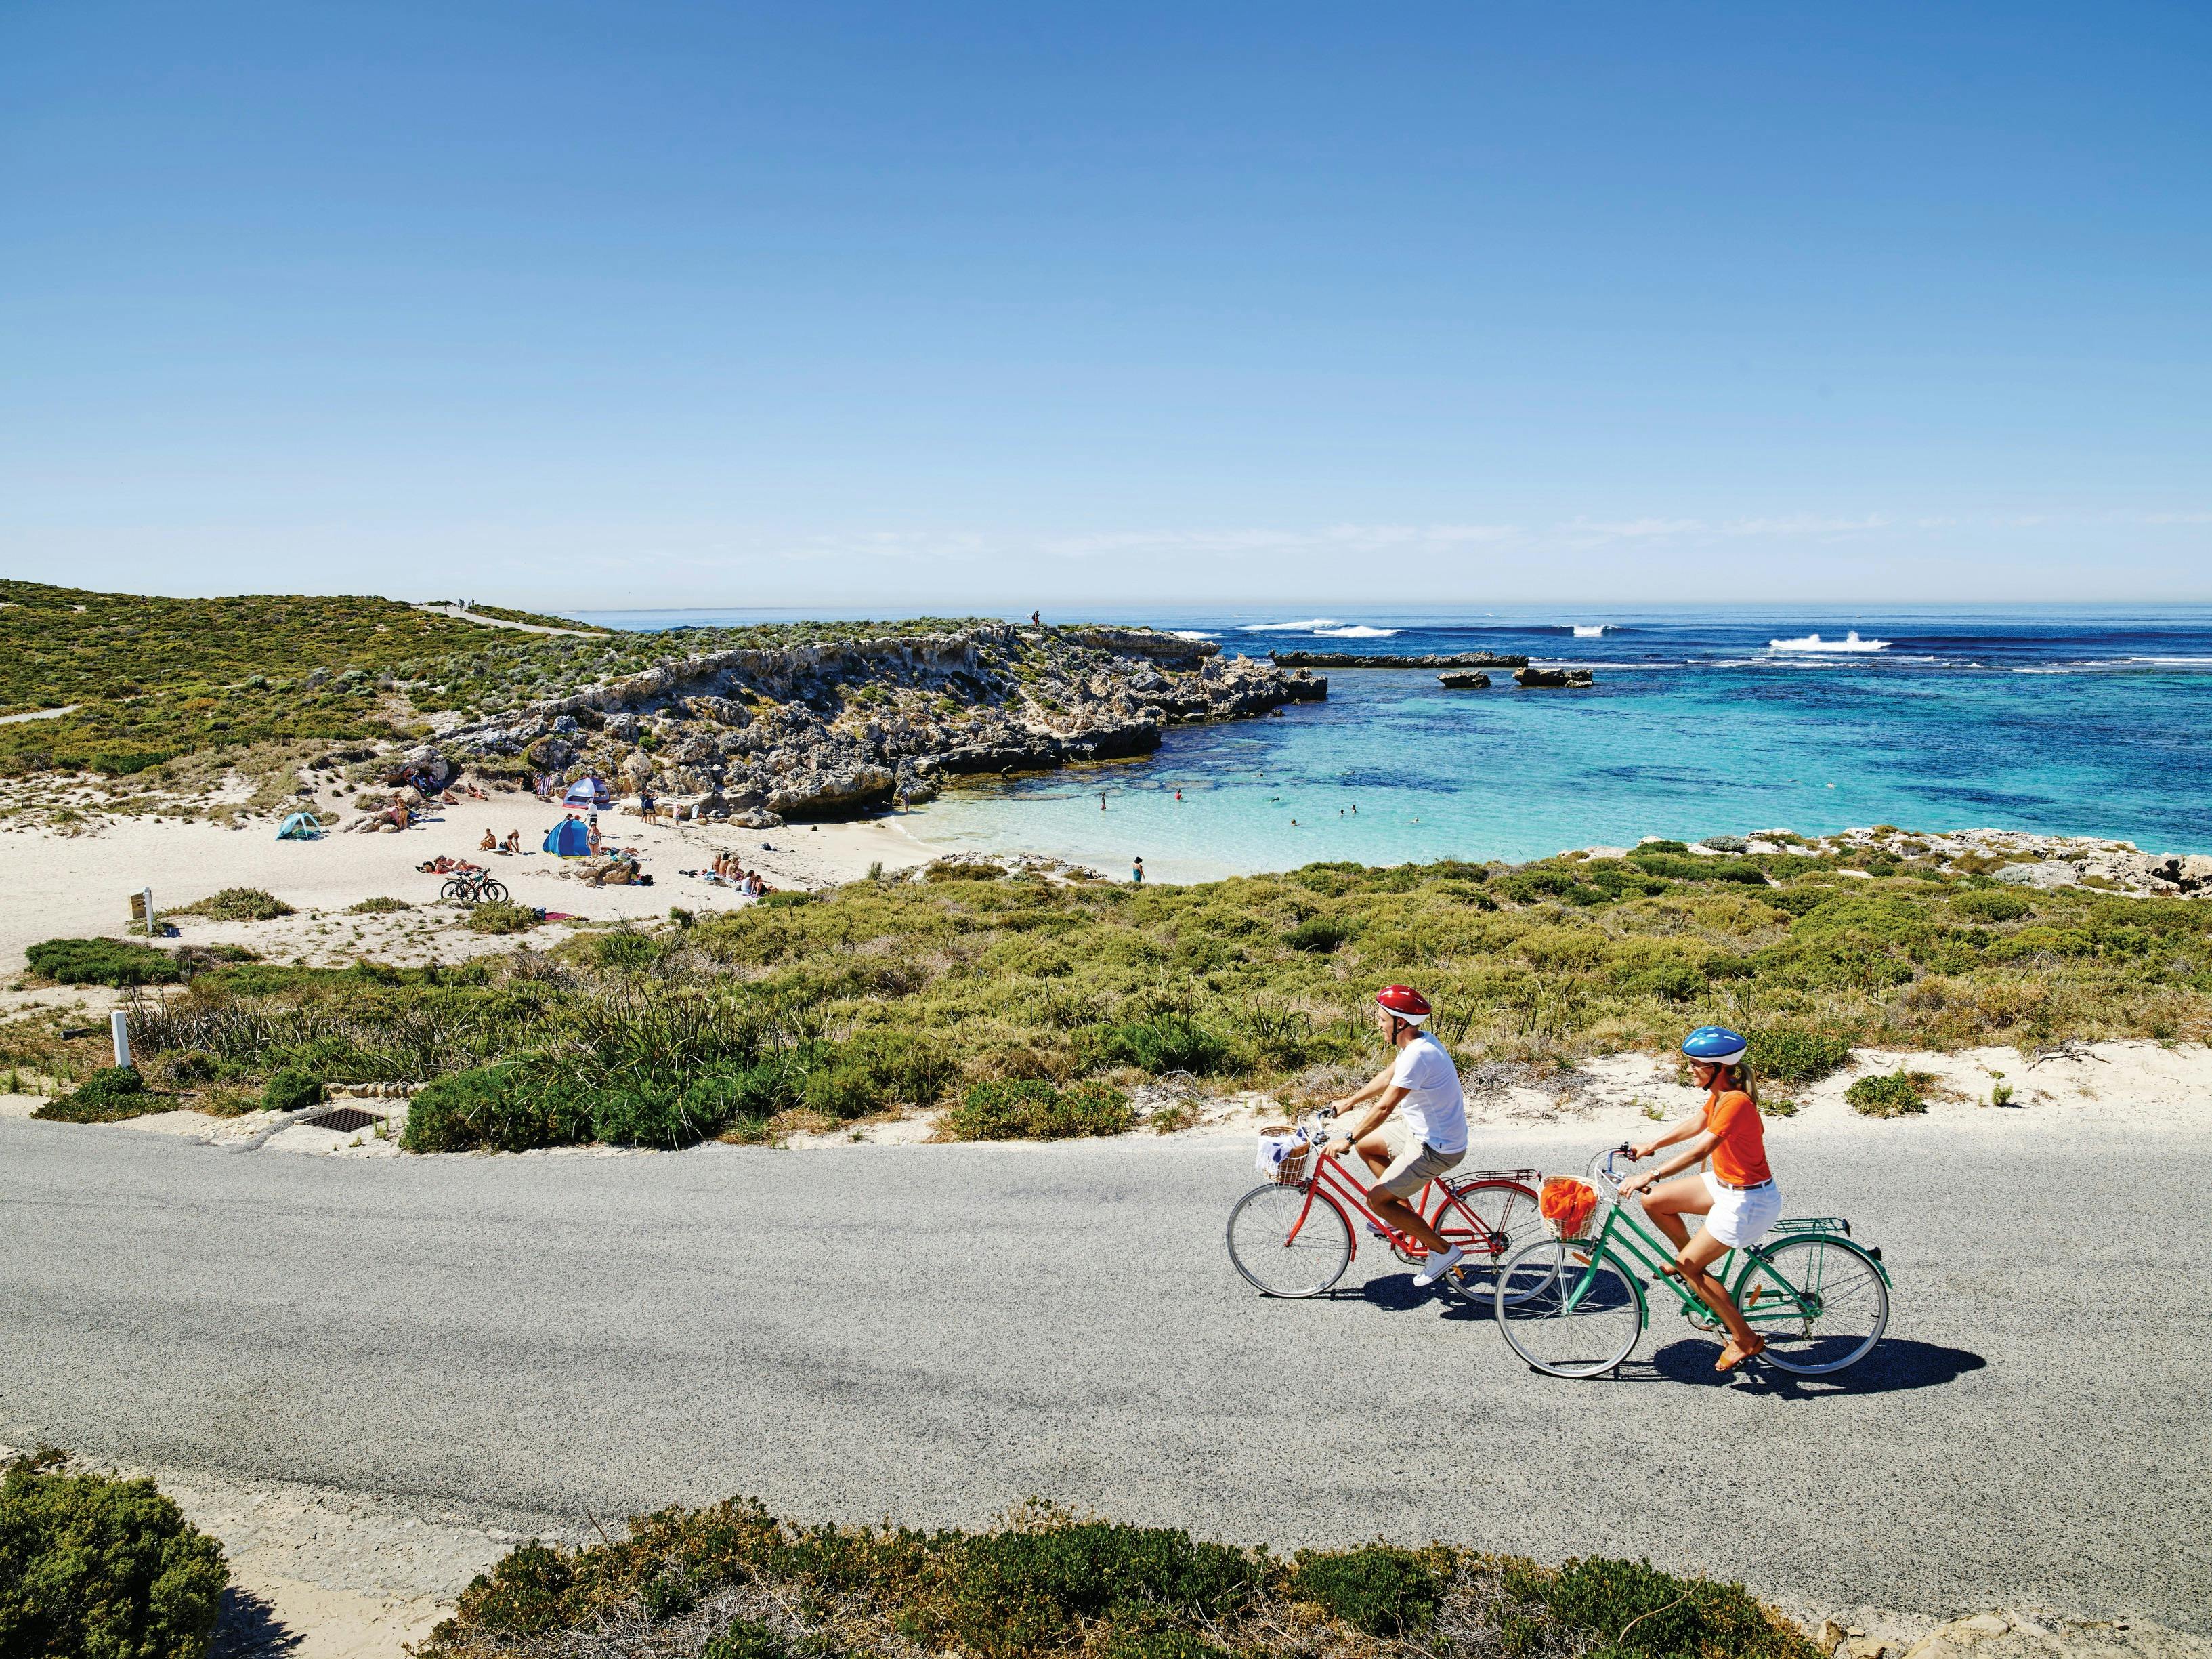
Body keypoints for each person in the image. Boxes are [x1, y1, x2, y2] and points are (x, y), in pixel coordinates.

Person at [1617, 1026, 1780, 1372]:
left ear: (1718, 1069)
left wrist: (1650, 1173)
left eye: (1695, 1064)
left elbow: (1701, 1149)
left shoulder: (1736, 1102)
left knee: (1690, 1268)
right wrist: (1652, 1146)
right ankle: (1693, 1263)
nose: (1689, 1069)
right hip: (1726, 1184)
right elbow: (1697, 1123)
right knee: (1655, 1202)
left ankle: (1745, 1339)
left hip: (1748, 1200)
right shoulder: (1723, 1093)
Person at [1319, 986, 1471, 1288]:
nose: (1378, 1024)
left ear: (1399, 1023)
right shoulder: (1415, 1043)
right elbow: (1388, 1077)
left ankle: (1443, 1251)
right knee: (1368, 1145)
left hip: (1436, 1147)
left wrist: (1347, 1139)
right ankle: (1402, 1215)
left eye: (1382, 1019)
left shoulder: (1420, 1055)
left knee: (1376, 1199)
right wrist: (1348, 1102)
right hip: (1420, 1133)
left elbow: (1386, 1106)